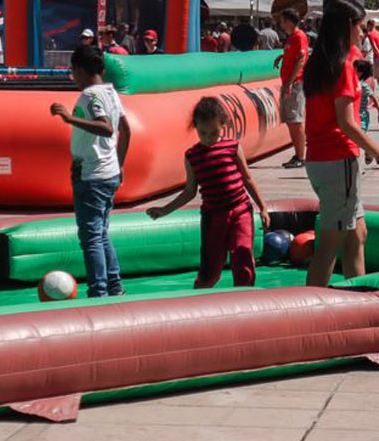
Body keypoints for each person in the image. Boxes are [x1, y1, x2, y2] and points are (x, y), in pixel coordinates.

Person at [301, 0, 379, 288]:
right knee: (330, 246)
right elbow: (346, 122)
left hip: (320, 159)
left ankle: (360, 297)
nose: (363, 32)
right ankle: (313, 308)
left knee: (358, 234)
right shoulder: (343, 66)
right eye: (360, 27)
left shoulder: (319, 62)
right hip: (338, 160)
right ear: (348, 26)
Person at [146, 95, 270, 288]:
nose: (208, 138)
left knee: (242, 254)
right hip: (214, 215)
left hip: (240, 210)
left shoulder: (232, 147)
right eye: (203, 133)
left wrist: (262, 207)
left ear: (223, 124)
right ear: (195, 127)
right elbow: (189, 191)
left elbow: (247, 178)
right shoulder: (192, 156)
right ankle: (200, 293)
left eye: (214, 132)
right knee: (211, 266)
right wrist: (164, 210)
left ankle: (246, 297)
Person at [49, 45, 131, 297]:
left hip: (92, 175)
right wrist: (120, 163)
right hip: (108, 172)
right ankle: (114, 284)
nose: (72, 77)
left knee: (91, 237)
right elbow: (125, 129)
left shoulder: (89, 96)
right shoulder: (111, 93)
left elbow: (106, 127)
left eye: (72, 72)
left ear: (81, 71)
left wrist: (69, 118)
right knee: (100, 232)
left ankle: (99, 290)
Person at [275, 8, 310, 169]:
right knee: (291, 121)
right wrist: (282, 57)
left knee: (296, 121)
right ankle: (298, 154)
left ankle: (301, 156)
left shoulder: (299, 36)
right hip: (290, 83)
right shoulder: (292, 38)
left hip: (295, 84)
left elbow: (301, 59)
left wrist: (290, 82)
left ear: (289, 21)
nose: (280, 25)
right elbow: (294, 55)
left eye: (282, 21)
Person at [355, 58, 379, 165]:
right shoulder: (354, 83)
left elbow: (374, 98)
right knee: (358, 137)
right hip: (354, 115)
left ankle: (372, 152)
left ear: (359, 73)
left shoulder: (363, 85)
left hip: (362, 116)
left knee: (360, 137)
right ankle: (368, 152)